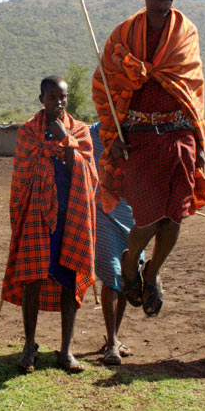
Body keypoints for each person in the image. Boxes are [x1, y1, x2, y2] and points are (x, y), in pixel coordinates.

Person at [92, 0, 205, 318]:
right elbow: (106, 86)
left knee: (174, 218)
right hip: (139, 141)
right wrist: (113, 136)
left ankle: (152, 272)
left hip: (179, 137)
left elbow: (193, 89)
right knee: (146, 218)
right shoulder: (123, 35)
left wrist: (199, 143)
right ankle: (131, 263)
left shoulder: (185, 31)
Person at [1, 77, 97, 373]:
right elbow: (22, 174)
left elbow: (87, 172)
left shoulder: (79, 130)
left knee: (69, 278)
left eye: (63, 97)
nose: (58, 102)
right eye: (52, 97)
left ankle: (66, 350)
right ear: (41, 98)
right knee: (33, 278)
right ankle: (30, 345)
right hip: (36, 215)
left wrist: (65, 138)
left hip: (71, 215)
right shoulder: (29, 132)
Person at [89, 121, 144, 366]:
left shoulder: (142, 132)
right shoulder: (95, 132)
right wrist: (109, 147)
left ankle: (115, 336)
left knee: (127, 275)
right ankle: (111, 342)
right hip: (104, 209)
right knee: (111, 273)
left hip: (135, 213)